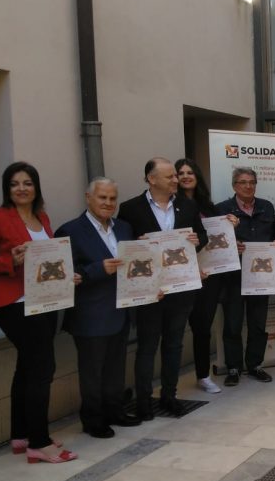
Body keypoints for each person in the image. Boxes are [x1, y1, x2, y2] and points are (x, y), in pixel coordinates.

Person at [0, 162, 78, 463]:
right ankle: (39, 443)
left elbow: (47, 260)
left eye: (27, 183)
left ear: (36, 187)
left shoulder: (42, 217)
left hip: (44, 302)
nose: (21, 188)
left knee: (27, 369)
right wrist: (10, 261)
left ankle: (21, 435)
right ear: (7, 188)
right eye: (14, 183)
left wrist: (66, 275)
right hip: (15, 305)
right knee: (42, 369)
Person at [117, 157, 206, 420]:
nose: (176, 180)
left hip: (181, 288)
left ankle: (169, 395)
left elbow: (202, 236)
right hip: (150, 291)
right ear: (151, 179)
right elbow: (121, 245)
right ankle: (144, 401)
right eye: (170, 177)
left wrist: (196, 240)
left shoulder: (187, 205)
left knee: (174, 345)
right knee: (147, 346)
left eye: (175, 176)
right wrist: (138, 244)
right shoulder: (130, 209)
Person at [55, 177, 142, 439]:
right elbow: (62, 275)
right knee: (92, 371)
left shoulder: (124, 228)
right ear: (88, 198)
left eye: (112, 198)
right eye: (102, 197)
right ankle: (93, 419)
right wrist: (97, 269)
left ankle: (115, 411)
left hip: (121, 310)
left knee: (115, 367)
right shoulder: (69, 231)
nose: (108, 203)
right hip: (90, 314)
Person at [215, 167, 275, 386]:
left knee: (258, 324)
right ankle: (233, 368)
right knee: (232, 325)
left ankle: (255, 365)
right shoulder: (222, 209)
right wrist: (231, 245)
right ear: (234, 185)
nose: (248, 186)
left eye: (252, 182)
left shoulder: (266, 207)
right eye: (243, 182)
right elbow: (215, 243)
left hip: (260, 277)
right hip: (233, 277)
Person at [176, 158, 233, 394]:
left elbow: (221, 235)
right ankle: (170, 384)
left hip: (209, 276)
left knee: (202, 328)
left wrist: (231, 224)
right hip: (181, 276)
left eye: (190, 172)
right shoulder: (170, 207)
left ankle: (202, 375)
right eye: (181, 173)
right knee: (175, 331)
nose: (186, 176)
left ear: (197, 177)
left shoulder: (210, 208)